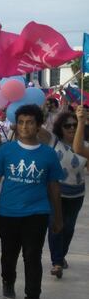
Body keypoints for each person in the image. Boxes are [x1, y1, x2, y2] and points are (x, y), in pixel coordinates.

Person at [0, 104, 63, 299]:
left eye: (30, 122)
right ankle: (8, 279)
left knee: (32, 256)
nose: (25, 127)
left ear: (38, 125)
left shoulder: (48, 154)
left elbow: (54, 187)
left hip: (37, 213)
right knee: (9, 255)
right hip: (7, 213)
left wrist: (58, 216)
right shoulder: (6, 151)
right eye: (22, 122)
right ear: (16, 125)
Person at [39, 107, 88, 277]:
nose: (72, 128)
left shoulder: (85, 147)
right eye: (68, 126)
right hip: (55, 192)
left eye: (75, 125)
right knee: (55, 226)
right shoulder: (53, 141)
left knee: (68, 228)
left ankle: (61, 255)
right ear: (60, 128)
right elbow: (37, 128)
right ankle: (57, 262)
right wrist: (41, 109)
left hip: (76, 194)